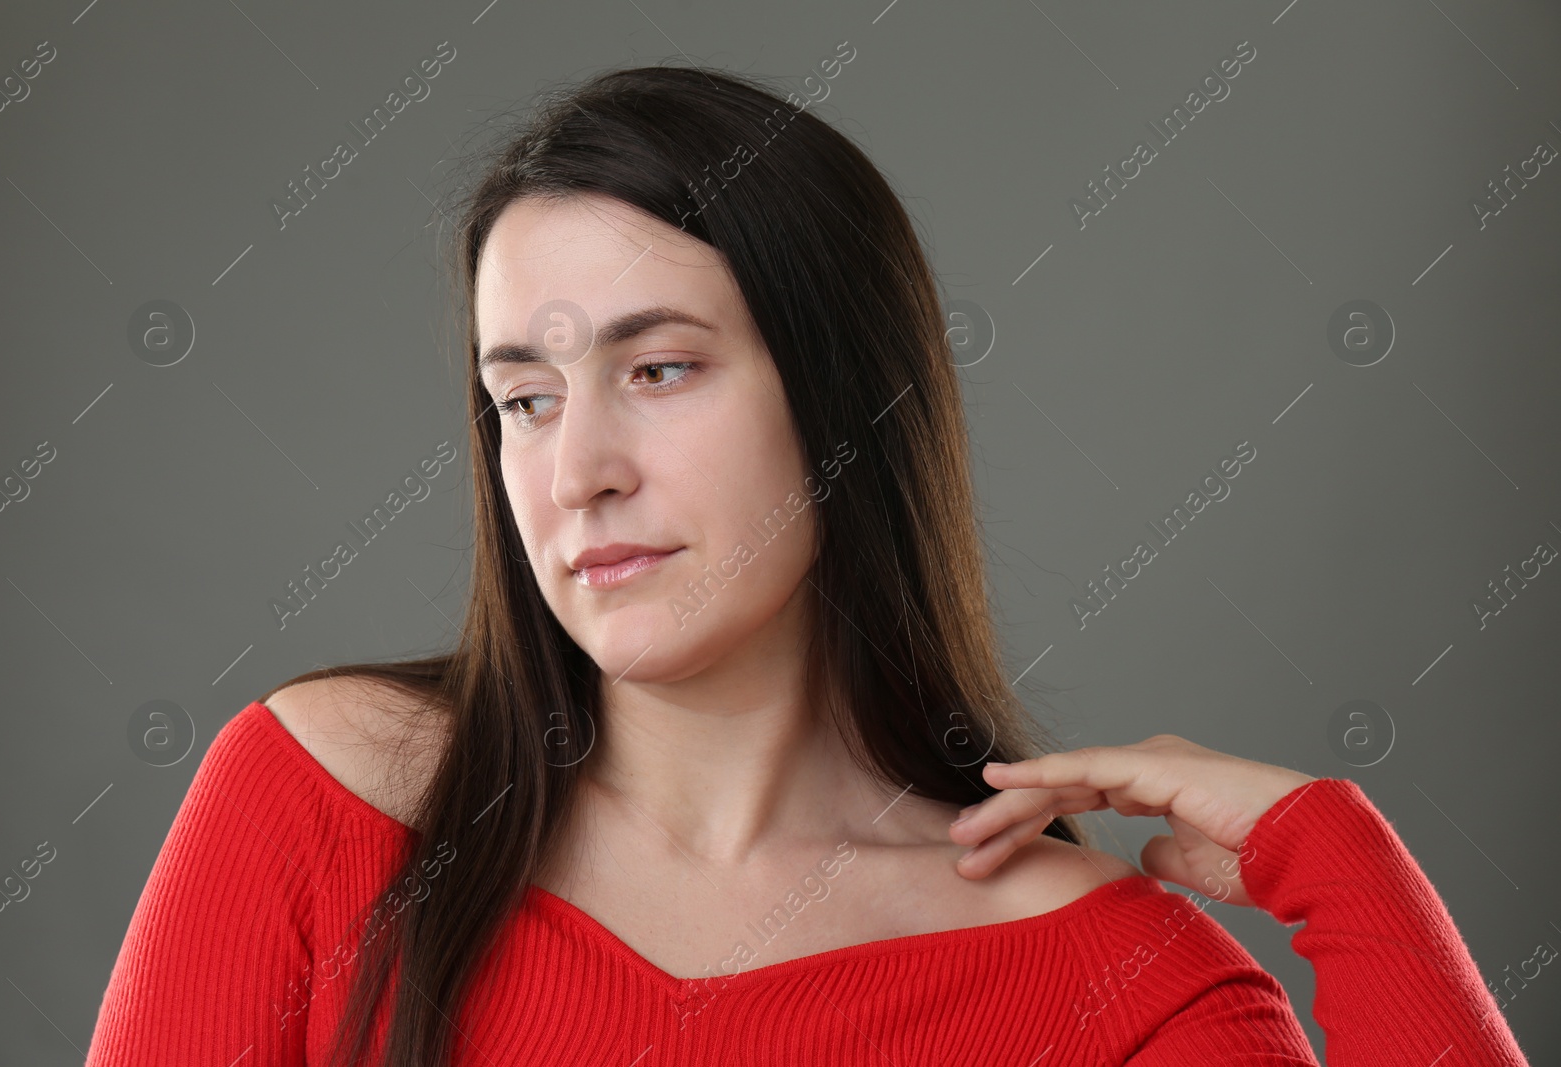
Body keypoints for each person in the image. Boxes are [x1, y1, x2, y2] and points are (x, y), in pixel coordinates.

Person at [84, 65, 1532, 1066]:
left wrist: (1338, 858)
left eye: (659, 369)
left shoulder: (1109, 981)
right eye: (524, 396)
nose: (576, 467)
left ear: (847, 402)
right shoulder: (328, 796)